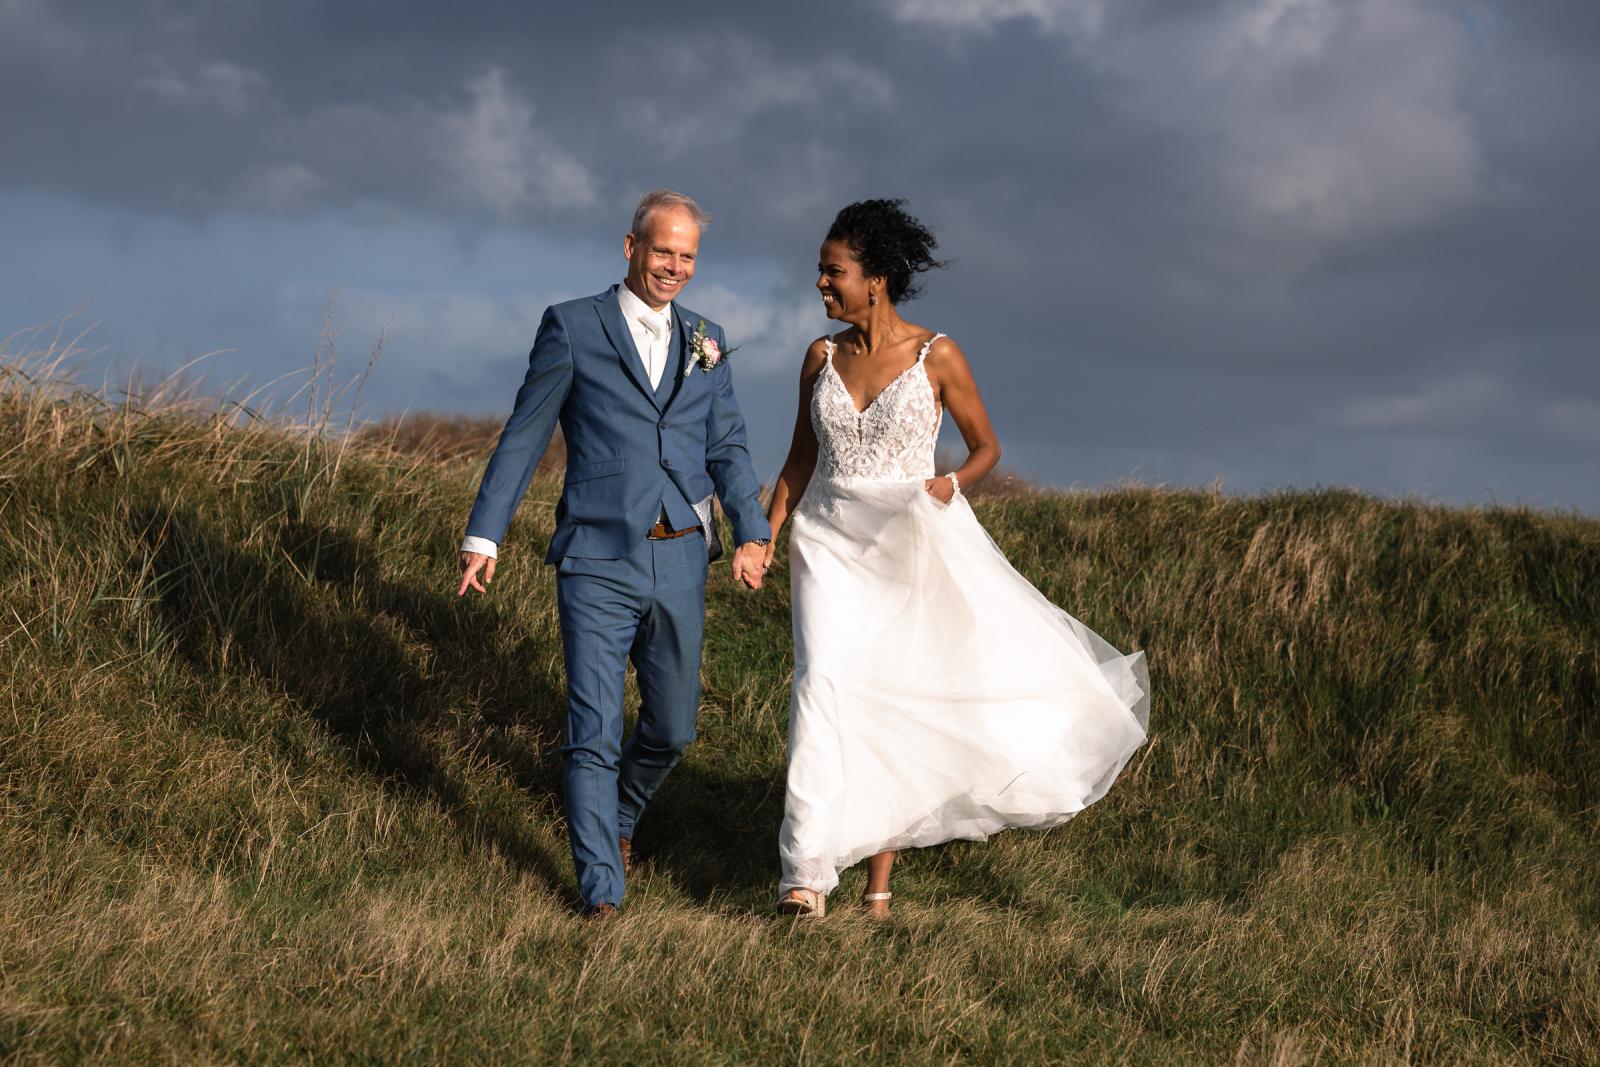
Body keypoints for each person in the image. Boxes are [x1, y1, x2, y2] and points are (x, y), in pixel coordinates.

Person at [763, 199, 1149, 918]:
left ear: (874, 278)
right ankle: (805, 874)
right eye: (820, 270)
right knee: (822, 686)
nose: (820, 283)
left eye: (832, 271)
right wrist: (765, 534)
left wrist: (952, 482)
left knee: (889, 694)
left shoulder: (936, 354)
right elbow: (798, 459)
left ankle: (878, 882)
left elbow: (987, 448)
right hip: (828, 540)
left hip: (907, 537)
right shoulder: (820, 357)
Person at [457, 189, 772, 918]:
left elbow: (726, 444)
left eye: (687, 255)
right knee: (592, 728)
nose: (675, 267)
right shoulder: (572, 326)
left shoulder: (708, 337)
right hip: (597, 554)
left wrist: (751, 530)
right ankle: (601, 890)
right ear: (630, 248)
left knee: (673, 726)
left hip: (682, 553)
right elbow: (526, 433)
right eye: (663, 251)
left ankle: (621, 818)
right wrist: (485, 532)